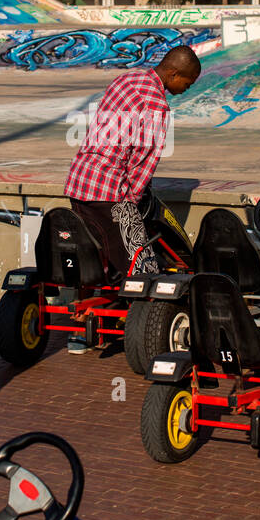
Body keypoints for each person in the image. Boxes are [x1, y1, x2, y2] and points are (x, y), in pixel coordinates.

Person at [63, 45, 201, 352]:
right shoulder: (156, 105)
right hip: (110, 194)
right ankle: (153, 343)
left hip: (79, 182)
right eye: (187, 82)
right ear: (173, 73)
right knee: (147, 274)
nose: (187, 88)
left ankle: (81, 335)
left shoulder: (128, 79)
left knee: (98, 260)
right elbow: (141, 164)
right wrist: (132, 210)